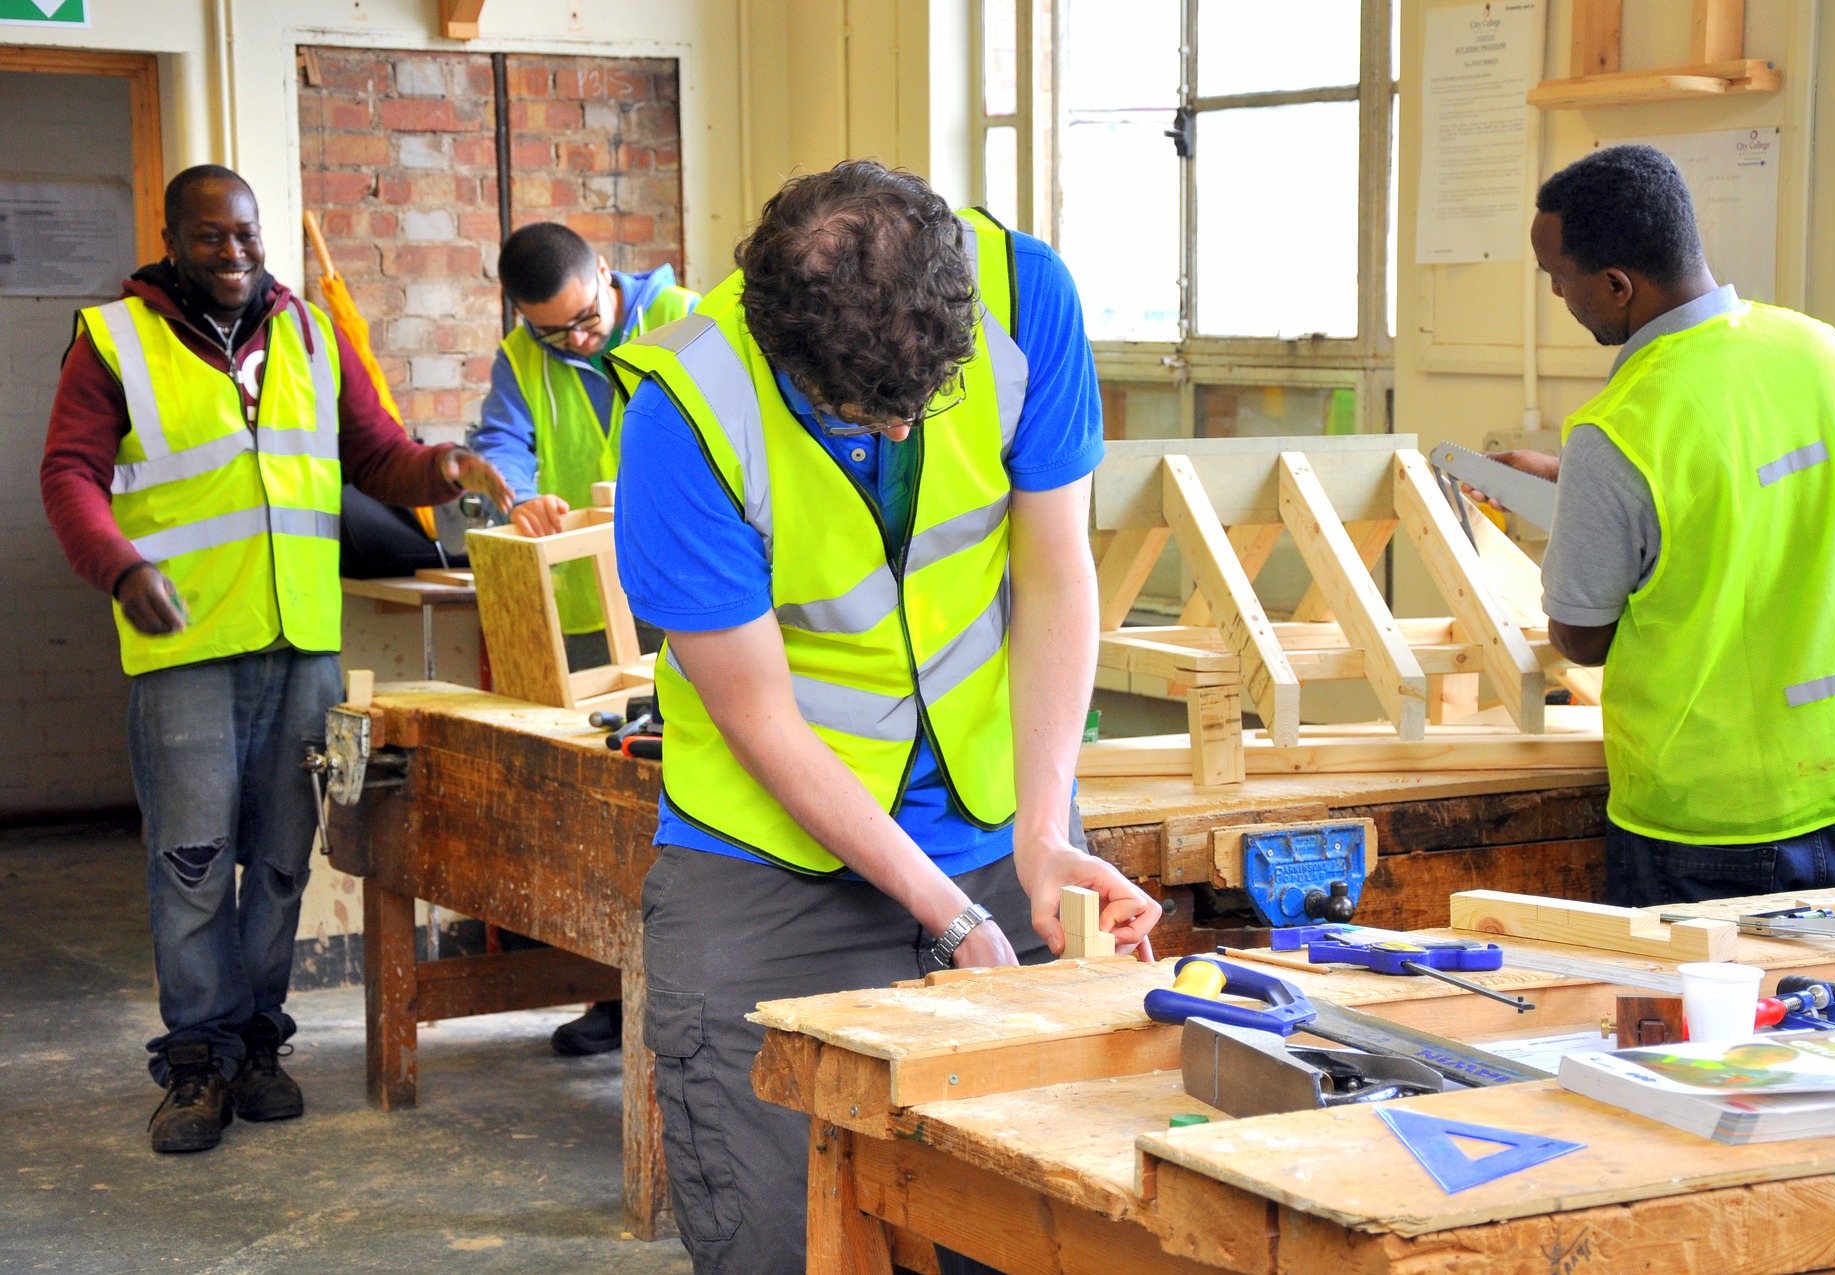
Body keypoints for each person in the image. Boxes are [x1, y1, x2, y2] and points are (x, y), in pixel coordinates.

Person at [607, 161, 1162, 1274]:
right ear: (784, 351)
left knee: (1045, 1210)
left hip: (992, 809)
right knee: (779, 1231)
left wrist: (1044, 833)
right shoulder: (683, 415)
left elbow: (1055, 574)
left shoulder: (1026, 297)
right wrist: (948, 918)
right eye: (870, 413)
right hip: (764, 850)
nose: (905, 436)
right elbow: (760, 720)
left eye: (927, 403)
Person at [39, 165, 514, 1154]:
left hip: (302, 645)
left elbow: (372, 454)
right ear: (171, 240)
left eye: (247, 234)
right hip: (186, 650)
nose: (235, 251)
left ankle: (262, 1047)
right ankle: (197, 1063)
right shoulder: (112, 341)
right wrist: (120, 569)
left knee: (283, 862)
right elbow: (69, 475)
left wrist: (443, 467)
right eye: (211, 236)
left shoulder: (303, 329)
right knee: (195, 862)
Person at [1487, 144, 1835, 908]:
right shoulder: (1830, 355)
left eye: (1558, 278)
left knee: (1693, 1027)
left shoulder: (1621, 427)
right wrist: (1576, 484)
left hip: (1708, 824)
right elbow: (1759, 500)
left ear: (1616, 285)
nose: (1558, 294)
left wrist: (1590, 503)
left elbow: (1582, 636)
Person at [469, 223, 697, 1059]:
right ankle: (608, 991)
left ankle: (680, 992)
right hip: (585, 603)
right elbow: (497, 441)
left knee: (672, 802)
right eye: (551, 330)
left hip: (682, 597)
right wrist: (517, 493)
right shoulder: (523, 358)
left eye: (585, 319)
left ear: (606, 274)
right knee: (596, 805)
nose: (576, 339)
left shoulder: (682, 315)